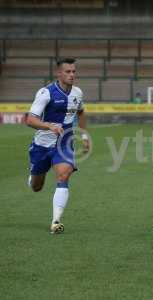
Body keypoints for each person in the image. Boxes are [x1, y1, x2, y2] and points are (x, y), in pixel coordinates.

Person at [26, 57, 90, 234]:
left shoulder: (78, 93)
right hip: (42, 145)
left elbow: (82, 112)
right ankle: (33, 176)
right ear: (59, 73)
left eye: (74, 71)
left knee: (63, 175)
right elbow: (30, 119)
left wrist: (84, 135)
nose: (72, 75)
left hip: (64, 143)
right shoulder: (45, 93)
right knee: (36, 187)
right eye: (68, 72)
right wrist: (49, 125)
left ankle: (56, 221)